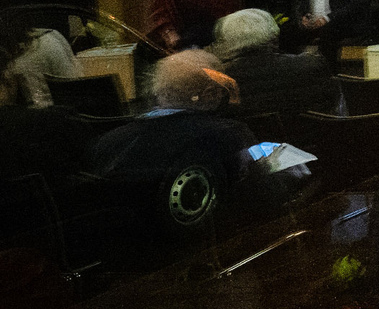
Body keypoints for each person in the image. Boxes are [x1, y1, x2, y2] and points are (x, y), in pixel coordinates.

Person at [86, 49, 257, 199]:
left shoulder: (109, 142)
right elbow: (266, 193)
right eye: (223, 89)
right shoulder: (229, 135)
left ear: (160, 90)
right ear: (210, 94)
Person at [213, 8, 342, 118]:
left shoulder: (220, 81)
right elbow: (333, 106)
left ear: (227, 41)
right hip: (309, 142)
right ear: (273, 34)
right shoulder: (312, 65)